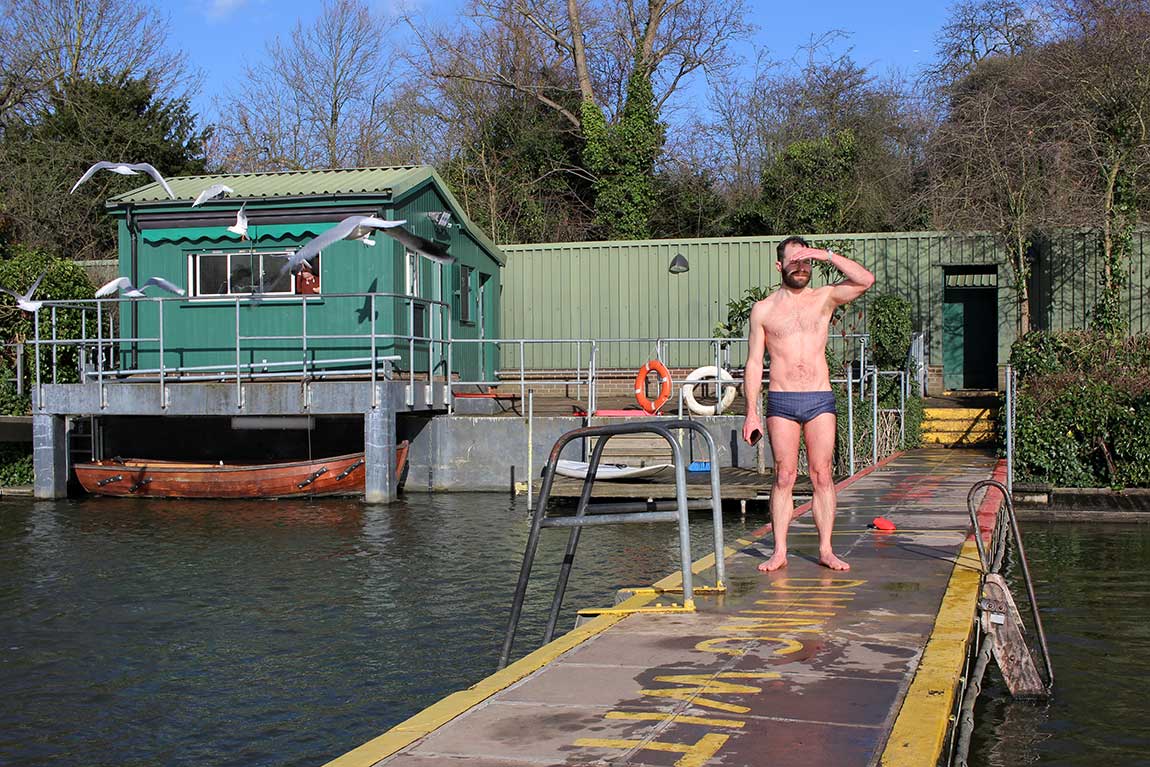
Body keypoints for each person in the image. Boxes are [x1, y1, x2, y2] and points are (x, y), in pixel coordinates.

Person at [742, 236, 875, 572]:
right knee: (784, 476)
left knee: (822, 475)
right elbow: (755, 363)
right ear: (779, 266)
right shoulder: (764, 309)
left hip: (819, 398)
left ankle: (826, 550)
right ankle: (780, 551)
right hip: (782, 400)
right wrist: (751, 412)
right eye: (795, 261)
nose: (801, 268)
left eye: (806, 262)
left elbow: (865, 280)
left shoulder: (824, 298)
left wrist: (828, 255)